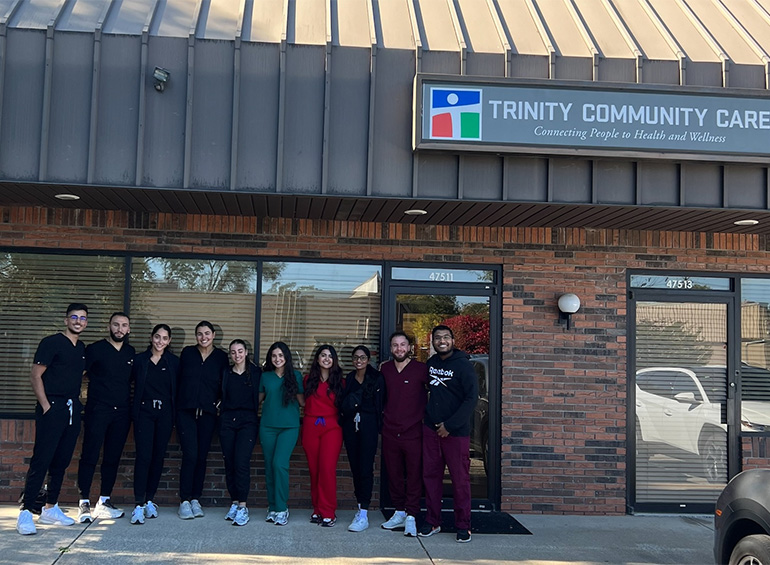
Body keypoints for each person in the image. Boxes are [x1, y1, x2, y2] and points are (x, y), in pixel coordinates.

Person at [17, 303, 89, 536]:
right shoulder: (51, 343)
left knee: (62, 460)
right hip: (53, 407)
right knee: (43, 459)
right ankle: (27, 511)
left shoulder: (81, 348)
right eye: (74, 317)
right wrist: (46, 406)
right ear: (66, 319)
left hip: (72, 408)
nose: (78, 321)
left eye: (83, 318)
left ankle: (50, 507)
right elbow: (36, 375)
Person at [419, 325, 478, 543]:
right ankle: (433, 521)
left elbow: (471, 399)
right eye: (437, 338)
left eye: (445, 337)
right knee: (431, 478)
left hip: (456, 433)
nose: (441, 341)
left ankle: (463, 525)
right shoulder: (431, 363)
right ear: (432, 341)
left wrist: (450, 426)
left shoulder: (464, 366)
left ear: (453, 340)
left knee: (460, 480)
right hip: (431, 430)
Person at [76, 312, 135, 523]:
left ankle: (104, 501)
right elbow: (78, 376)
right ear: (109, 326)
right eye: (116, 325)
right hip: (97, 410)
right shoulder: (95, 349)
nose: (120, 329)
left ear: (129, 329)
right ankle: (83, 502)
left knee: (112, 457)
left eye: (124, 325)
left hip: (121, 413)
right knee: (90, 455)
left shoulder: (130, 352)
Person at [176, 321, 229, 520]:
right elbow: (179, 379)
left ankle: (195, 499)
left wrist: (219, 404)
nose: (203, 337)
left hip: (208, 414)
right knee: (190, 455)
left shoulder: (222, 357)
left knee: (201, 457)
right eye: (199, 334)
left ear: (214, 335)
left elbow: (226, 383)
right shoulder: (188, 353)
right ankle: (184, 500)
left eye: (207, 333)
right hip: (186, 412)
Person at [379, 331, 428, 537]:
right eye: (395, 345)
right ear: (391, 348)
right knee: (394, 473)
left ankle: (411, 516)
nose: (399, 349)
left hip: (413, 431)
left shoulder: (421, 370)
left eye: (403, 345)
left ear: (410, 347)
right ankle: (399, 511)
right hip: (390, 431)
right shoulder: (384, 369)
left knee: (414, 474)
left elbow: (434, 395)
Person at [130, 324, 179, 525]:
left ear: (169, 341)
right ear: (151, 338)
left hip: (165, 414)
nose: (160, 341)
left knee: (158, 457)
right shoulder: (140, 360)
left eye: (164, 338)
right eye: (157, 337)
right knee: (144, 456)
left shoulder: (174, 362)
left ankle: (150, 499)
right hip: (144, 413)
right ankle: (138, 504)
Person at [339, 345, 384, 532]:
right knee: (355, 467)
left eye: (363, 357)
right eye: (356, 358)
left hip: (369, 427)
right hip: (351, 427)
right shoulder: (349, 378)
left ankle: (364, 511)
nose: (359, 361)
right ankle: (359, 506)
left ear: (368, 359)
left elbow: (380, 405)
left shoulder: (376, 378)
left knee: (366, 468)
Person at [259, 342, 304, 526]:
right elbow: (257, 400)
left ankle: (282, 507)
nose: (277, 359)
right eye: (274, 356)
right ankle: (272, 507)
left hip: (289, 427)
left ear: (287, 357)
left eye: (281, 355)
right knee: (270, 467)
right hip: (267, 427)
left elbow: (303, 403)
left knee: (279, 464)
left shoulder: (296, 376)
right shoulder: (265, 377)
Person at [220, 339, 261, 526]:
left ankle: (243, 506)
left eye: (240, 351)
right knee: (229, 462)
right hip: (227, 420)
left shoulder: (255, 373)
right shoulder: (226, 373)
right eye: (233, 352)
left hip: (248, 422)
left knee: (241, 462)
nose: (237, 355)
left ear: (246, 353)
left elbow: (264, 393)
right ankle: (235, 502)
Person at [302, 345, 344, 528]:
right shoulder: (307, 380)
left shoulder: (340, 382)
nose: (326, 359)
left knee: (327, 468)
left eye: (330, 356)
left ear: (334, 360)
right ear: (317, 359)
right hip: (311, 426)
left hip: (332, 427)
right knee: (314, 470)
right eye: (323, 355)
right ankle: (317, 509)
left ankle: (328, 511)